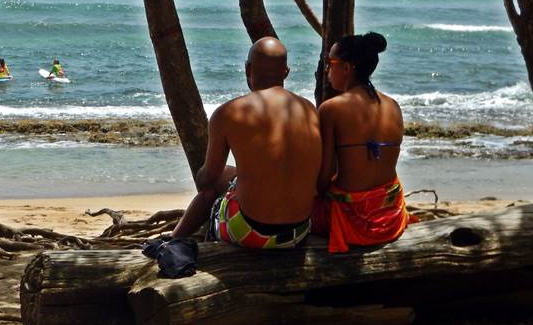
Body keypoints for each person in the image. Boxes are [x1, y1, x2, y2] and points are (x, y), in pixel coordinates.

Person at [168, 37, 321, 249]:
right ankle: (172, 241)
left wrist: (201, 174)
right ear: (286, 71)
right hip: (298, 232)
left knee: (213, 187)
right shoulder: (309, 110)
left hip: (250, 233)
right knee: (229, 175)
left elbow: (208, 179)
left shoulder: (229, 112)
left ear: (247, 68)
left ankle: (171, 242)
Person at [312, 32, 418, 253]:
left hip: (353, 220)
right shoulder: (393, 106)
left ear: (347, 68)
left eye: (329, 63)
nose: (327, 70)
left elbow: (324, 177)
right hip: (390, 215)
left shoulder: (332, 109)